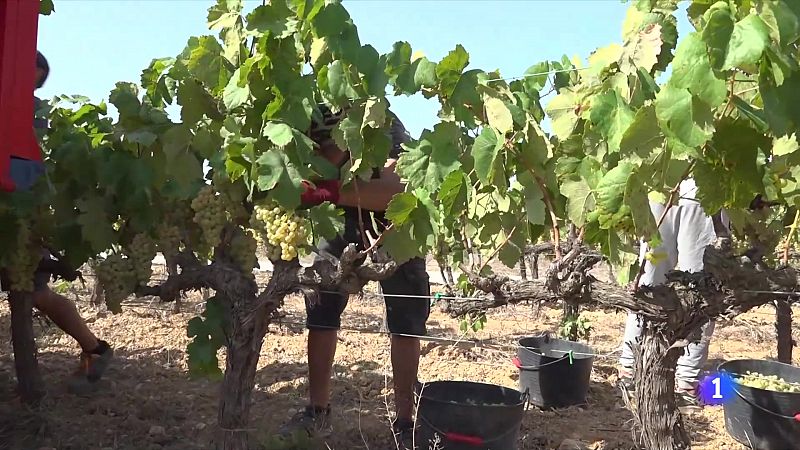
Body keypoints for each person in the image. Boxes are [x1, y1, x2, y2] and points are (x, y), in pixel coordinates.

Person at [279, 105, 430, 447]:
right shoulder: (310, 113)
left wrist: (329, 187)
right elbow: (302, 169)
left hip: (393, 222)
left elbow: (398, 187)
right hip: (336, 217)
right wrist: (331, 168)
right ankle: (317, 412)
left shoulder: (381, 119)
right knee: (320, 308)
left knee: (406, 318)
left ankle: (405, 423)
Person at [1, 51, 114, 389]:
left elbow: (28, 169)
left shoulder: (33, 113)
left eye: (35, 82)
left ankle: (95, 349)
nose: (29, 87)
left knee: (35, 293)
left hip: (19, 212)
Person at [617, 178, 727, 411]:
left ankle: (637, 371)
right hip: (683, 186)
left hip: (673, 183)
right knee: (692, 287)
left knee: (661, 283)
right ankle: (670, 379)